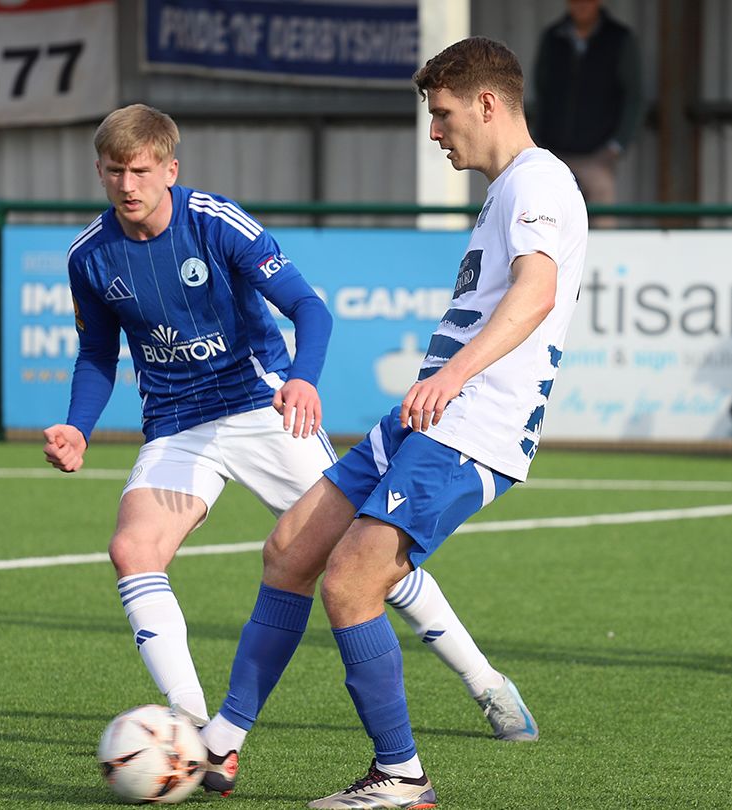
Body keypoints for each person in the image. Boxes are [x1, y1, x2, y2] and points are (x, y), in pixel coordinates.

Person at [43, 104, 531, 736]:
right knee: (132, 549)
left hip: (264, 411)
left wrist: (301, 378)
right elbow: (96, 354)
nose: (127, 185)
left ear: (171, 168)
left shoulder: (216, 224)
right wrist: (79, 425)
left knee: (365, 558)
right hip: (177, 425)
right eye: (114, 172)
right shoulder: (90, 255)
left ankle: (485, 683)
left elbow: (309, 307)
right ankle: (188, 722)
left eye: (140, 170)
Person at [198, 38, 588, 807]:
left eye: (442, 115)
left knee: (351, 582)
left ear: (487, 103)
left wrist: (452, 374)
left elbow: (537, 292)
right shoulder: (507, 188)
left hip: (470, 429)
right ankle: (220, 743)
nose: (435, 132)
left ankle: (401, 776)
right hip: (425, 419)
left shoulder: (541, 182)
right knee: (288, 552)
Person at [532, 0, 643, 224]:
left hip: (597, 154)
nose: (581, 5)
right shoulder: (553, 37)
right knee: (543, 213)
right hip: (553, 149)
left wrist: (617, 144)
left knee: (602, 214)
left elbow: (634, 96)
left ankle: (603, 259)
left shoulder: (619, 38)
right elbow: (540, 89)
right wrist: (537, 138)